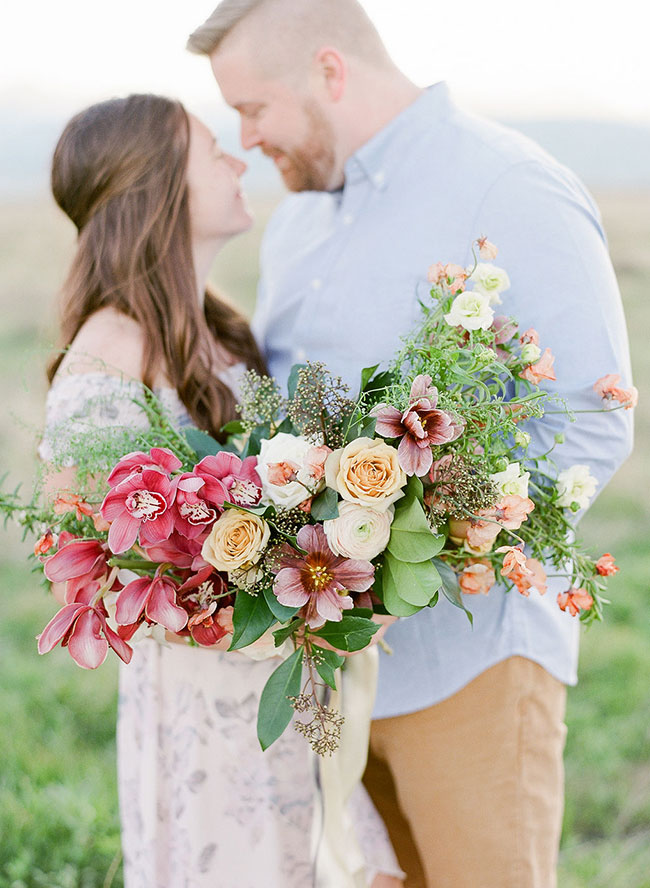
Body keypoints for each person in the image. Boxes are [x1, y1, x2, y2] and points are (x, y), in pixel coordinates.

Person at [187, 2, 635, 886]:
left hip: (471, 668)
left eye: (253, 108)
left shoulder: (507, 186)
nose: (244, 138)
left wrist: (422, 551)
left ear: (329, 71)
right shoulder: (297, 224)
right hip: (323, 675)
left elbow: (592, 413)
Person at [41, 93, 404, 887]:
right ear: (155, 188)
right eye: (212, 149)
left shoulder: (224, 334)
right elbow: (111, 584)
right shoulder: (103, 365)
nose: (239, 159)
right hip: (208, 730)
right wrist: (310, 617)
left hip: (296, 702)